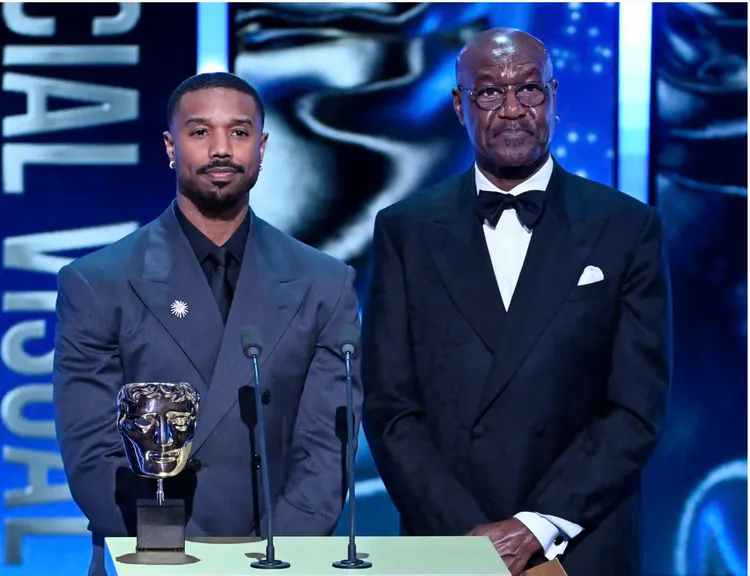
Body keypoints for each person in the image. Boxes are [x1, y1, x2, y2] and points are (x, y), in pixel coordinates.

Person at [361, 28, 671, 576]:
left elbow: (635, 407)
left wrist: (535, 526)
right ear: (459, 105)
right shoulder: (405, 230)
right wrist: (470, 540)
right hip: (448, 541)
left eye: (528, 89)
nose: (511, 109)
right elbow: (391, 407)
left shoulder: (627, 227)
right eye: (489, 92)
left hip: (580, 541)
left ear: (553, 97)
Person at [53, 72, 362, 576]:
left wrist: (274, 557)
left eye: (239, 132)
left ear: (262, 148)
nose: (221, 149)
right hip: (148, 557)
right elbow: (92, 452)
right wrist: (174, 556)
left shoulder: (325, 283)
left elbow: (327, 451)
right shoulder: (97, 283)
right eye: (200, 132)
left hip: (276, 561)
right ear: (171, 147)